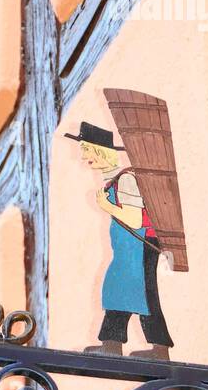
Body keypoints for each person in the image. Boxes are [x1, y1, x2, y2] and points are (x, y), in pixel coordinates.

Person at [65, 121, 173, 359]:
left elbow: (135, 219)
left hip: (140, 246)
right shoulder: (113, 181)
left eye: (86, 149)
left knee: (145, 294)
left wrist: (107, 206)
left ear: (99, 150)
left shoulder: (126, 179)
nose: (83, 156)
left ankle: (158, 348)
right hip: (127, 250)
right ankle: (112, 343)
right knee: (119, 290)